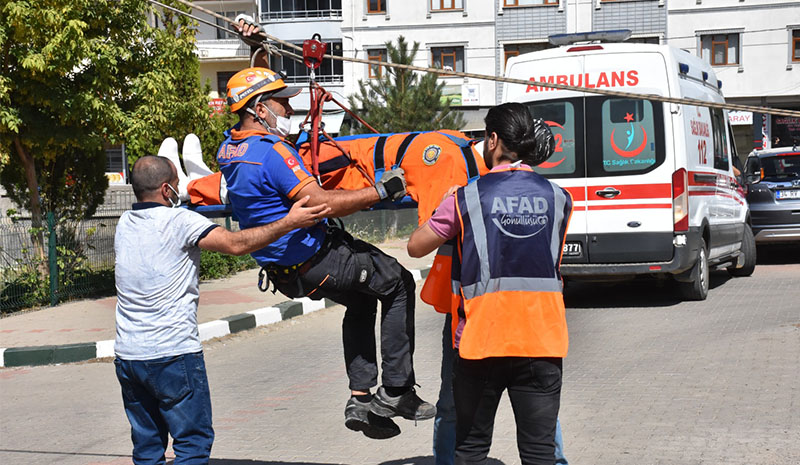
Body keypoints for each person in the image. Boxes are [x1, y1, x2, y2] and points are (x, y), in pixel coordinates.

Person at [215, 66, 435, 439]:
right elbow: (321, 205)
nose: (289, 109)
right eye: (282, 103)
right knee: (398, 282)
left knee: (362, 301)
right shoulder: (273, 152)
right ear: (259, 109)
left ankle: (361, 398)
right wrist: (381, 191)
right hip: (318, 260)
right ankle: (398, 391)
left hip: (286, 274)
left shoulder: (229, 149)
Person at [114, 155, 329, 465]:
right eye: (177, 185)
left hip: (129, 357)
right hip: (172, 354)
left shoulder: (125, 223)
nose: (180, 191)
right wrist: (289, 221)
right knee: (192, 445)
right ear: (165, 190)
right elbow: (236, 244)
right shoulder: (180, 221)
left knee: (147, 448)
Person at [407, 103, 573, 465]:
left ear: (493, 139)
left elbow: (416, 246)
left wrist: (443, 206)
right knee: (539, 452)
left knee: (471, 450)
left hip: (481, 340)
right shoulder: (560, 198)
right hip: (541, 340)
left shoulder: (465, 197)